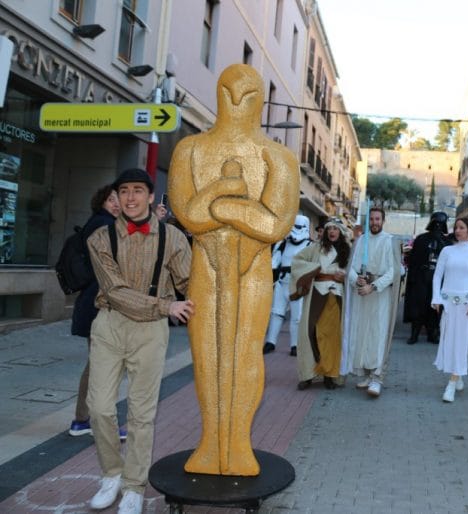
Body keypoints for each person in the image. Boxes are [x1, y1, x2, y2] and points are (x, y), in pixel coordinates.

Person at [168, 64, 299, 477]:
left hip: (254, 269)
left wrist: (223, 207)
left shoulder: (277, 156)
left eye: (248, 93)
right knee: (206, 354)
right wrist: (237, 207)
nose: (237, 101)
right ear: (219, 93)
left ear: (260, 100)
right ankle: (211, 441)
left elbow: (276, 223)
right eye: (229, 91)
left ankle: (239, 442)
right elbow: (185, 213)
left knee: (245, 353)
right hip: (205, 266)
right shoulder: (189, 149)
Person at [86, 168, 192, 513]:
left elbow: (190, 283)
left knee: (141, 413)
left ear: (150, 196)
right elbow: (115, 292)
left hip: (151, 332)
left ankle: (133, 486)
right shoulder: (100, 238)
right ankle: (111, 473)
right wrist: (166, 304)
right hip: (110, 325)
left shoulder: (173, 238)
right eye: (124, 191)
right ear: (116, 197)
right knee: (99, 407)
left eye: (137, 190)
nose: (130, 197)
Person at [68, 184, 121, 438]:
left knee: (99, 364)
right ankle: (96, 422)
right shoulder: (103, 224)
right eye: (111, 199)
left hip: (93, 303)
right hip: (98, 304)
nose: (117, 203)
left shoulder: (101, 222)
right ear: (102, 201)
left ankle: (82, 420)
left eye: (118, 199)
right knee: (104, 365)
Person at [343, 206, 401, 397]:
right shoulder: (361, 241)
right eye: (372, 219)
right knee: (362, 333)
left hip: (379, 294)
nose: (375, 222)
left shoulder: (390, 241)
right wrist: (356, 280)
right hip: (362, 294)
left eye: (378, 219)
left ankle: (378, 378)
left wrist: (373, 286)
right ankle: (367, 373)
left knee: (378, 334)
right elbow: (351, 267)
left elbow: (394, 271)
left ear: (383, 221)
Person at [430, 217, 468, 402]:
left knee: (462, 343)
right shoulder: (447, 251)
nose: (457, 230)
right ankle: (458, 375)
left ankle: (452, 383)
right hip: (448, 305)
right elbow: (437, 276)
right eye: (456, 227)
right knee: (449, 341)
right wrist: (437, 298)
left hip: (467, 306)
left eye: (461, 227)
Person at [290, 218, 351, 390]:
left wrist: (344, 275)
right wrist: (315, 268)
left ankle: (329, 375)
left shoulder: (348, 250)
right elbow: (297, 261)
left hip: (337, 295)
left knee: (332, 336)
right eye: (329, 228)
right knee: (310, 332)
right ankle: (307, 374)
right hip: (317, 294)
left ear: (340, 231)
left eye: (335, 229)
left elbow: (354, 270)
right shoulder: (316, 248)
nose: (332, 231)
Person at [263, 215, 312, 356]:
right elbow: (273, 262)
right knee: (276, 313)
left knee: (297, 317)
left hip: (298, 284)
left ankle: (295, 345)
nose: (295, 230)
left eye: (298, 226)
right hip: (281, 282)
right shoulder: (282, 244)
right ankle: (270, 342)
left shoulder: (309, 246)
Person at [403, 211, 450, 344]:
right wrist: (413, 278)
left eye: (441, 224)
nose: (438, 227)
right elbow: (414, 261)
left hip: (438, 280)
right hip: (421, 278)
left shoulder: (446, 243)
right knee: (418, 307)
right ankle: (414, 334)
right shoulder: (421, 239)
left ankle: (432, 334)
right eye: (436, 224)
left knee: (434, 308)